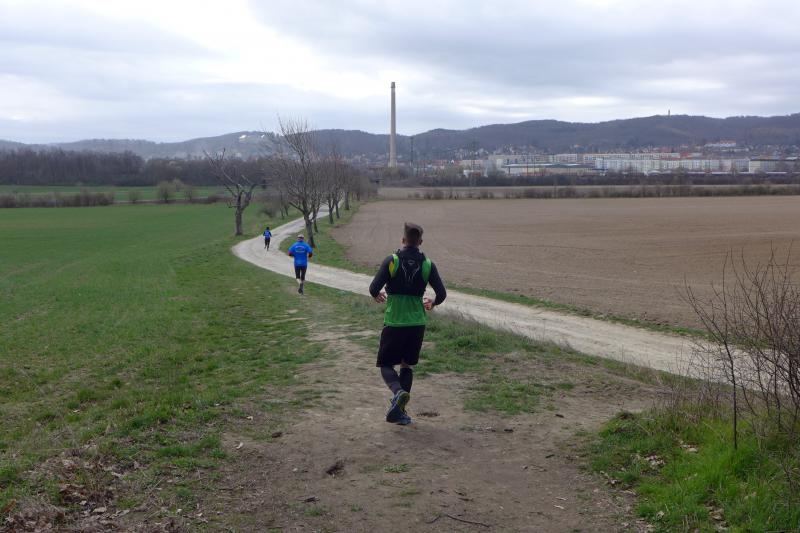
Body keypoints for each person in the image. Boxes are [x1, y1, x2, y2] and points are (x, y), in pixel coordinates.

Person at [369, 222, 446, 425]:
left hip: (395, 322)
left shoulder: (392, 260)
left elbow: (373, 288)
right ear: (420, 242)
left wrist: (377, 294)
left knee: (386, 364)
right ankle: (400, 413)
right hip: (417, 324)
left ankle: (398, 392)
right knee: (406, 365)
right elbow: (442, 293)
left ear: (403, 240)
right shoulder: (428, 264)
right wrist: (433, 302)